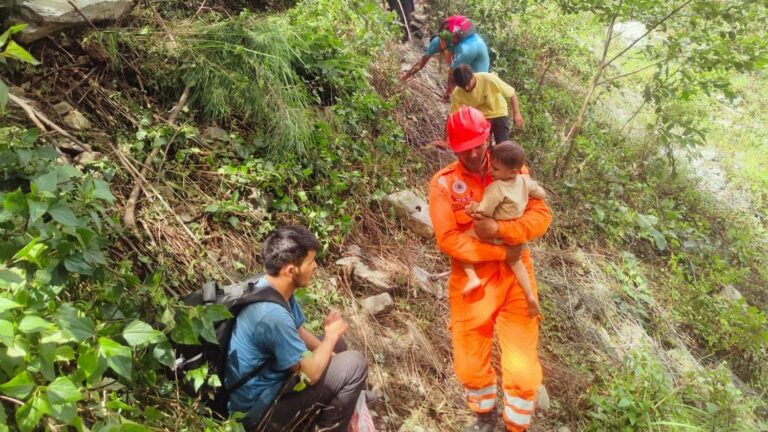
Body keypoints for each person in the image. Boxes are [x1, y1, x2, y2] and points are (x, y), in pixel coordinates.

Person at [427, 107, 552, 432]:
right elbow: (449, 239)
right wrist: (500, 251)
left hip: (515, 280)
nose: (471, 153)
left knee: (523, 371)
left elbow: (541, 217)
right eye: (462, 147)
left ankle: (515, 426)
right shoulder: (444, 184)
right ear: (451, 147)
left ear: (488, 139)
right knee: (469, 365)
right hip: (473, 283)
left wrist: (502, 230)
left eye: (477, 145)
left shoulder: (514, 170)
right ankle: (485, 415)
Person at [225, 225, 368, 431]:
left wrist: (331, 347)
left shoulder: (271, 285)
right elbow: (310, 375)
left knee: (339, 346)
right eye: (311, 262)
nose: (316, 266)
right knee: (354, 364)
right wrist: (329, 336)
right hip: (255, 416)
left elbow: (299, 332)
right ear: (290, 270)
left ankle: (309, 419)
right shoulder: (272, 316)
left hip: (270, 383)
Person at [463, 141, 546, 319]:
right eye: (491, 166)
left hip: (497, 233)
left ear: (513, 171)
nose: (491, 171)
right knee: (516, 263)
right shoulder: (524, 180)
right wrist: (532, 192)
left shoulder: (496, 188)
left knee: (464, 239)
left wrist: (473, 207)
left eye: (496, 168)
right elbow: (540, 194)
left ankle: (472, 277)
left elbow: (484, 211)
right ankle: (530, 296)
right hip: (515, 236)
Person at [400, 15, 490, 99]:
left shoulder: (466, 49)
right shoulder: (471, 39)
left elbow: (452, 75)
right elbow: (422, 63)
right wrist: (406, 76)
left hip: (476, 87)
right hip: (477, 82)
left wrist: (449, 93)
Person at [450, 64, 524, 145]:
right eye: (463, 87)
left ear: (473, 76)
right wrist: (446, 140)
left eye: (468, 84)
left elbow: (512, 94)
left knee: (502, 145)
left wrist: (516, 114)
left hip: (499, 112)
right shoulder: (457, 93)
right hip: (480, 118)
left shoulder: (488, 79)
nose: (467, 88)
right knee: (479, 145)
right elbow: (452, 117)